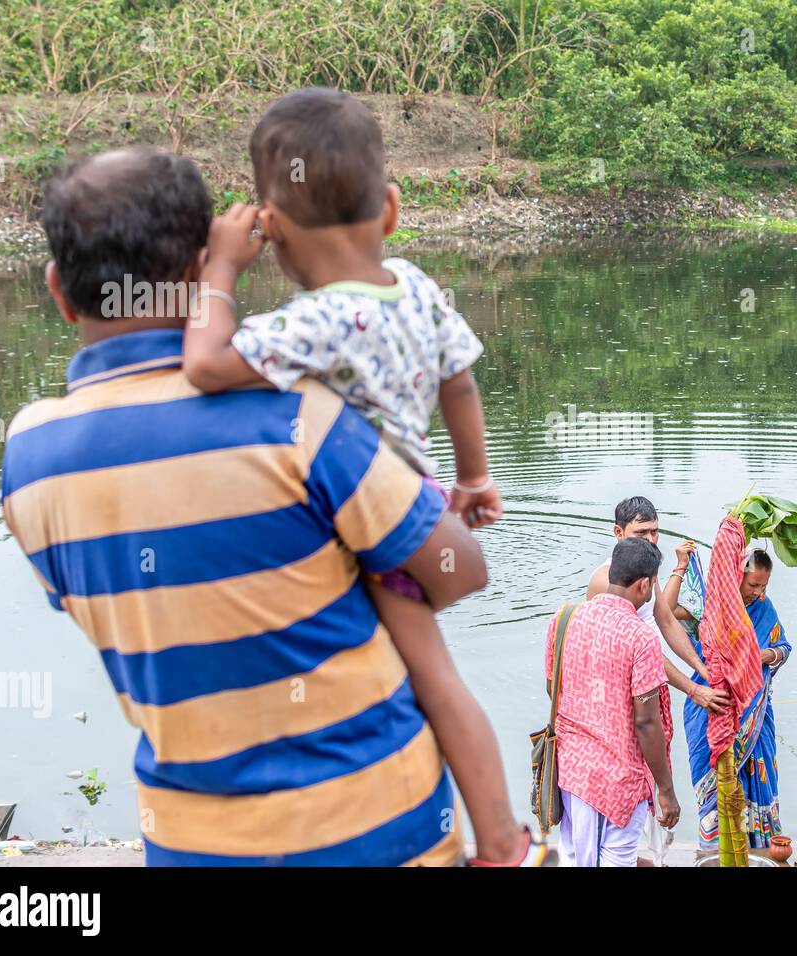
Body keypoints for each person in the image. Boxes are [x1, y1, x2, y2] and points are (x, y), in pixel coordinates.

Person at [2, 147, 506, 865]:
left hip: (190, 845)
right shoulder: (300, 417)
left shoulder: (29, 460)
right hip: (381, 832)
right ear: (200, 267)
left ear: (58, 290)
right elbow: (458, 571)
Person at [179, 89, 534, 865]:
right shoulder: (411, 283)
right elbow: (461, 383)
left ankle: (501, 839)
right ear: (394, 210)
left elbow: (203, 364)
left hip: (380, 524)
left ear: (270, 229)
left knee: (435, 680)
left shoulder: (313, 322)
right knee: (437, 672)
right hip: (424, 500)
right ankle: (497, 836)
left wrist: (222, 271)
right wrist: (474, 480)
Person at [546, 537, 680, 866]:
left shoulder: (564, 618)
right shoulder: (641, 637)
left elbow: (554, 689)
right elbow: (646, 722)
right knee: (616, 860)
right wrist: (666, 790)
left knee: (575, 857)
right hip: (620, 780)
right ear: (644, 585)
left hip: (573, 772)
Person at [684, 549, 791, 849]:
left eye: (764, 586)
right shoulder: (713, 605)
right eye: (752, 585)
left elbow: (783, 645)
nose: (758, 593)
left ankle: (758, 845)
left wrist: (764, 654)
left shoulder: (763, 608)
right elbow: (669, 615)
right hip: (711, 704)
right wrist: (681, 568)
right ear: (736, 576)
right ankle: (716, 847)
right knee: (718, 782)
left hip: (755, 715)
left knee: (756, 779)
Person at [586, 497, 728, 717]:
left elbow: (667, 620)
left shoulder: (645, 568)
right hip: (620, 683)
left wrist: (703, 670)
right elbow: (639, 648)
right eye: (641, 533)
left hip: (652, 675)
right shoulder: (608, 582)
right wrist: (693, 689)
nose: (650, 540)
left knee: (657, 736)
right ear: (618, 532)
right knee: (642, 737)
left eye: (654, 532)